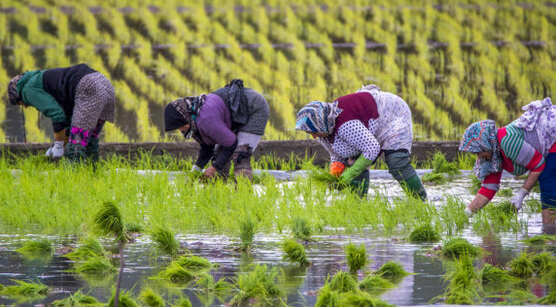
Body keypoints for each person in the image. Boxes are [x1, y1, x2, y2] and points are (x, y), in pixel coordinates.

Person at [295, 85, 426, 199]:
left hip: (392, 114)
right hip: (371, 123)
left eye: (312, 132)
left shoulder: (345, 124)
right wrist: (334, 175)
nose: (313, 136)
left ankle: (421, 201)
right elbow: (336, 155)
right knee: (353, 159)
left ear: (319, 124)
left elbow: (372, 148)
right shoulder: (324, 132)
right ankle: (358, 205)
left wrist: (349, 175)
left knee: (397, 161)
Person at [459, 97, 556, 230]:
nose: (478, 156)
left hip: (552, 135)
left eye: (479, 152)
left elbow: (538, 165)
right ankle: (549, 231)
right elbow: (488, 189)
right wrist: (464, 215)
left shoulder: (506, 141)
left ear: (486, 144)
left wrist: (522, 194)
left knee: (547, 179)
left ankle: (549, 233)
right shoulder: (494, 157)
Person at [7, 63, 114, 162]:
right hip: (105, 85)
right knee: (90, 142)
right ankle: (93, 177)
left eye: (21, 104)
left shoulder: (26, 90)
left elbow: (56, 114)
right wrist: (59, 144)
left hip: (89, 87)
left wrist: (59, 145)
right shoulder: (44, 80)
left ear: (18, 96)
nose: (25, 107)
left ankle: (73, 180)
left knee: (74, 150)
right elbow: (68, 124)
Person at [163, 79, 269, 179]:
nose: (181, 130)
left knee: (240, 155)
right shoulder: (193, 121)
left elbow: (231, 142)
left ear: (186, 117)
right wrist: (194, 172)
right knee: (218, 156)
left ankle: (243, 194)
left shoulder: (205, 119)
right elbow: (207, 149)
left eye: (181, 126)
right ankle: (219, 194)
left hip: (254, 108)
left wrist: (214, 168)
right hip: (236, 113)